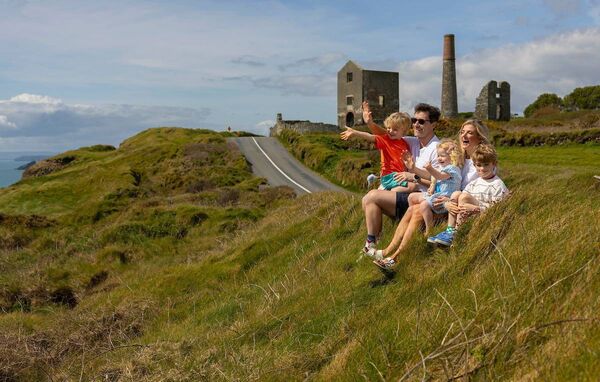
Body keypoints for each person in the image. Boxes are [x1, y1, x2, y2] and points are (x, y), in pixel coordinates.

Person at [373, 119, 490, 268]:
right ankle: (388, 252)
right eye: (462, 132)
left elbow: (478, 191)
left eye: (469, 133)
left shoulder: (482, 162)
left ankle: (395, 258)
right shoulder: (458, 157)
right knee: (412, 208)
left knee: (416, 211)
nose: (463, 135)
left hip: (458, 209)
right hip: (446, 201)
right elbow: (439, 179)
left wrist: (449, 202)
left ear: (479, 137)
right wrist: (415, 172)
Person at [360, 101, 441, 257]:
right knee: (367, 201)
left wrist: (414, 177)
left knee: (371, 197)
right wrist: (370, 123)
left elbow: (440, 182)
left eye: (422, 121)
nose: (416, 125)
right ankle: (371, 246)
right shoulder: (413, 141)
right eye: (414, 120)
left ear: (434, 125)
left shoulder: (437, 149)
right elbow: (388, 133)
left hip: (423, 200)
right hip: (408, 197)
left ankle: (371, 246)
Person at [428, 143, 509, 246]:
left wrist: (475, 208)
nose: (482, 169)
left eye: (486, 164)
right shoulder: (474, 183)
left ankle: (457, 233)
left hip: (481, 217)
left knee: (464, 196)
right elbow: (460, 199)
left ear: (494, 164)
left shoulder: (498, 185)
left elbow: (498, 210)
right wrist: (447, 204)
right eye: (479, 165)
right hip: (466, 214)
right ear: (474, 165)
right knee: (457, 193)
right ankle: (450, 230)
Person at [340, 111, 413, 192]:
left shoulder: (405, 144)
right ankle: (387, 194)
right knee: (413, 186)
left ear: (404, 131)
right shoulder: (385, 140)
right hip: (389, 176)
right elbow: (370, 136)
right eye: (388, 128)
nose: (390, 131)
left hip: (399, 176)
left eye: (395, 129)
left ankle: (385, 192)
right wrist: (355, 132)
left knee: (413, 185)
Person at [404, 139, 463, 235]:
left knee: (424, 205)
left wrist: (430, 168)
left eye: (443, 156)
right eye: (438, 156)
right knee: (411, 197)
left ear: (452, 157)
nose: (439, 158)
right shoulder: (442, 168)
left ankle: (428, 228)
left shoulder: (452, 169)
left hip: (444, 198)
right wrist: (432, 186)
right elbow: (434, 179)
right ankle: (417, 219)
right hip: (437, 194)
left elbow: (439, 176)